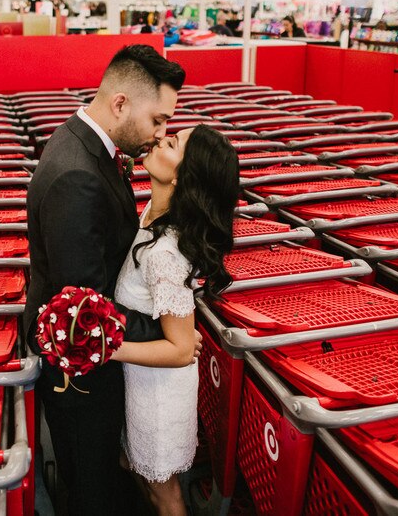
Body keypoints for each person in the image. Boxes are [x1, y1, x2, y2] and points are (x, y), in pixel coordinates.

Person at [25, 44, 194, 516]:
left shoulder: (87, 146)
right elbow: (84, 310)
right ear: (120, 103)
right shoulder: (78, 176)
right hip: (81, 377)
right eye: (157, 120)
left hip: (101, 364)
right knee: (90, 488)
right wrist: (168, 332)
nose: (161, 133)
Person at [111, 125, 238, 516]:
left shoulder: (165, 253)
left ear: (182, 176)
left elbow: (183, 349)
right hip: (142, 378)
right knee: (138, 473)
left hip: (159, 394)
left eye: (171, 144)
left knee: (165, 496)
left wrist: (107, 348)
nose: (158, 140)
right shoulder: (154, 211)